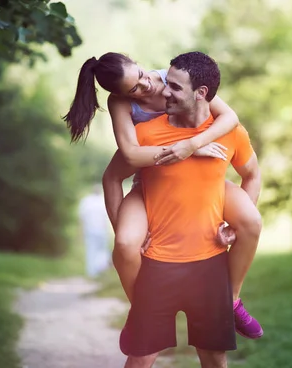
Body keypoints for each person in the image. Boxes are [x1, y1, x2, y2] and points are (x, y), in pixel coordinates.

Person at [64, 53, 263, 339]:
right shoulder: (121, 103)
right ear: (120, 95)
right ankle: (143, 313)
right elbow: (129, 155)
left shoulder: (173, 78)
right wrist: (182, 150)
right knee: (125, 243)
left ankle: (231, 300)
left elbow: (230, 117)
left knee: (251, 222)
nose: (148, 86)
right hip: (150, 175)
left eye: (142, 75)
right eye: (135, 88)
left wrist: (193, 144)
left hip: (199, 175)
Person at [120, 51, 261, 367]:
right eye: (166, 82)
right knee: (141, 358)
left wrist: (234, 226)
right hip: (157, 265)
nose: (164, 92)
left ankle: (233, 300)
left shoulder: (230, 133)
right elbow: (113, 177)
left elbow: (252, 174)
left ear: (202, 94)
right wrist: (127, 229)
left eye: (175, 87)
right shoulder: (145, 134)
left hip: (209, 265)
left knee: (213, 357)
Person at [78, 184, 112, 277]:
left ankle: (96, 272)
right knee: (97, 251)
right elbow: (82, 219)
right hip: (94, 230)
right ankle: (94, 272)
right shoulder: (95, 201)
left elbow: (82, 218)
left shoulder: (87, 201)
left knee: (95, 251)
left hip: (96, 230)